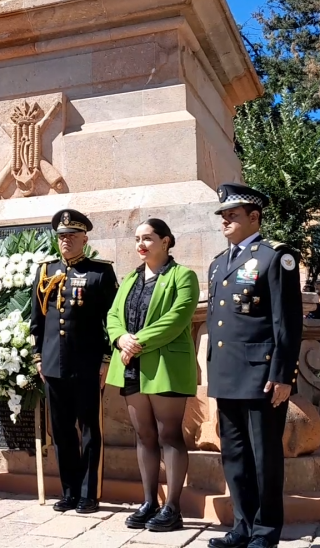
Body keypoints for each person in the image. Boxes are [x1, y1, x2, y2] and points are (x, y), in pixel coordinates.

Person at [206, 183, 302, 548]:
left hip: (261, 376)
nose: (226, 221)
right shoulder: (218, 263)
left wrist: (282, 375)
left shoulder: (275, 257)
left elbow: (286, 322)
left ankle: (265, 531)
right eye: (223, 216)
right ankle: (242, 526)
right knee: (233, 455)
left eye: (233, 215)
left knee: (264, 457)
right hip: (227, 374)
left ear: (254, 217)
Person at [105, 219, 198, 531]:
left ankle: (173, 506)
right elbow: (113, 314)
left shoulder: (182, 276)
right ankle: (149, 501)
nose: (141, 245)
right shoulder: (131, 279)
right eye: (137, 239)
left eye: (148, 238)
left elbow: (177, 318)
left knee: (168, 434)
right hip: (131, 365)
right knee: (144, 435)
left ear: (166, 241)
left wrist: (136, 342)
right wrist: (120, 338)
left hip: (165, 367)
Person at [31, 209, 118, 514]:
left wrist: (106, 359)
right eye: (61, 237)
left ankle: (88, 494)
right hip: (54, 365)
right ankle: (69, 491)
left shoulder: (100, 272)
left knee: (90, 429)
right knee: (62, 430)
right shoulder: (46, 271)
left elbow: (112, 319)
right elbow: (36, 321)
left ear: (84, 238)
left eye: (71, 236)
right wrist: (39, 357)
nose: (65, 241)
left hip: (87, 363)